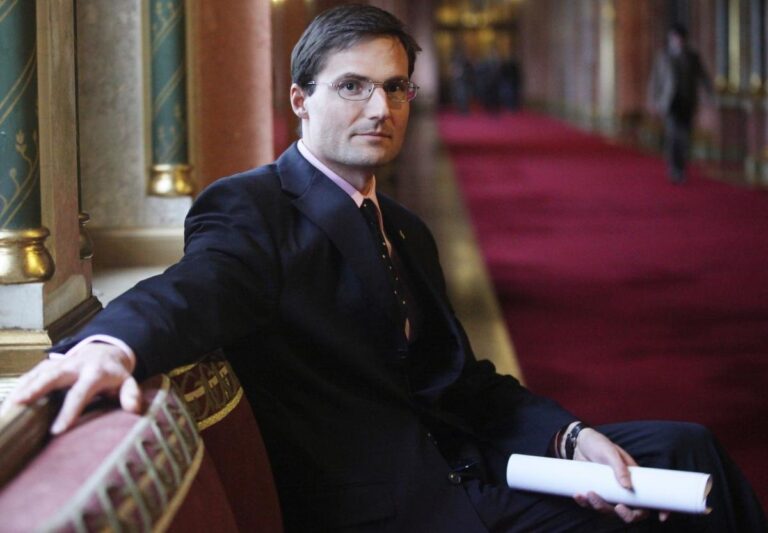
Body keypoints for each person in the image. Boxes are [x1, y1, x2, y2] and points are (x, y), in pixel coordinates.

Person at [3, 6, 765, 532]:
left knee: (689, 450)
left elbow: (465, 384)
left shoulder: (405, 226)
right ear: (300, 99)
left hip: (476, 462)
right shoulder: (254, 208)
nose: (381, 108)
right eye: (354, 86)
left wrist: (569, 437)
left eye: (396, 87)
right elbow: (196, 288)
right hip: (395, 506)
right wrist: (110, 344)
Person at [648, 23, 713, 184]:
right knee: (672, 136)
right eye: (675, 38)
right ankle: (673, 168)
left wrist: (709, 94)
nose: (678, 41)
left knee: (685, 136)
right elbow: (655, 80)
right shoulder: (663, 56)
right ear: (671, 39)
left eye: (680, 38)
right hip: (669, 102)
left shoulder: (693, 57)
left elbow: (703, 76)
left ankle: (681, 168)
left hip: (687, 101)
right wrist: (653, 101)